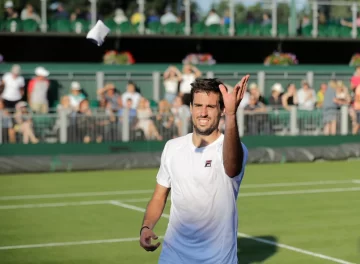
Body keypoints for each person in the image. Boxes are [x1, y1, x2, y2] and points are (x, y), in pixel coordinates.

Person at [139, 76, 250, 264]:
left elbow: (232, 167)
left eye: (211, 107)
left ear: (222, 110)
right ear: (190, 108)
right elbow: (159, 196)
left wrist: (232, 115)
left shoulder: (233, 148)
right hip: (173, 257)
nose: (203, 113)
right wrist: (146, 227)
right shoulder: (172, 147)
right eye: (198, 105)